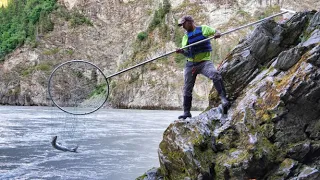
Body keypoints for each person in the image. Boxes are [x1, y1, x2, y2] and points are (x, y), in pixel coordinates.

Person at [176, 15, 230, 119]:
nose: (182, 26)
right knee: (187, 88)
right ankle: (186, 112)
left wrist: (218, 33)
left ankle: (224, 99)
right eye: (181, 24)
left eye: (183, 24)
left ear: (190, 22)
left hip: (204, 63)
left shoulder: (203, 29)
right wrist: (182, 52)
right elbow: (188, 54)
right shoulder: (185, 37)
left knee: (215, 74)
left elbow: (216, 31)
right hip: (190, 65)